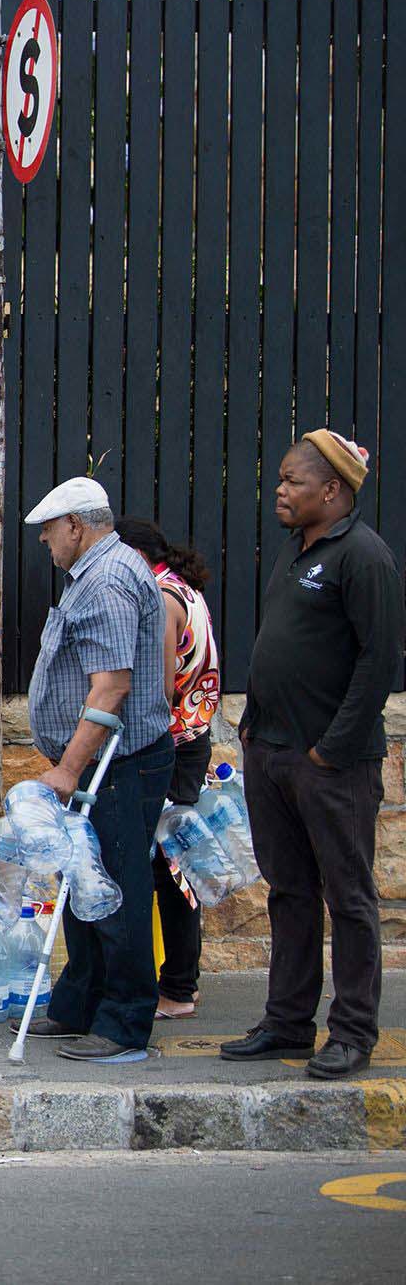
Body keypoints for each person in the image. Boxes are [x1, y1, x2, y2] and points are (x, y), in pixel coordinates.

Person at [220, 431, 402, 1080]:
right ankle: (288, 1021)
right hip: (272, 753)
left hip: (331, 765)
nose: (281, 491)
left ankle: (352, 1032)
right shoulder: (297, 554)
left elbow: (379, 661)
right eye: (280, 481)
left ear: (334, 489)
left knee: (349, 899)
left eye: (294, 482)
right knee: (289, 892)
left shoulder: (363, 557)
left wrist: (332, 750)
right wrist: (255, 730)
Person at [20, 477, 175, 1063]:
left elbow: (110, 689)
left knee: (114, 889)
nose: (45, 543)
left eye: (48, 532)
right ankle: (77, 1004)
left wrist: (68, 768)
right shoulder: (99, 572)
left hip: (118, 764)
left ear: (76, 526)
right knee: (82, 883)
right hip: (105, 764)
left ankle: (124, 1021)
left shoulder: (107, 580)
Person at [114, 517, 221, 1021]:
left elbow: (157, 686)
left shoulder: (159, 598)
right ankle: (180, 982)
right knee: (173, 863)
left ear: (134, 554)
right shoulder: (185, 590)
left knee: (168, 868)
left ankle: (178, 987)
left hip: (171, 744)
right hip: (193, 738)